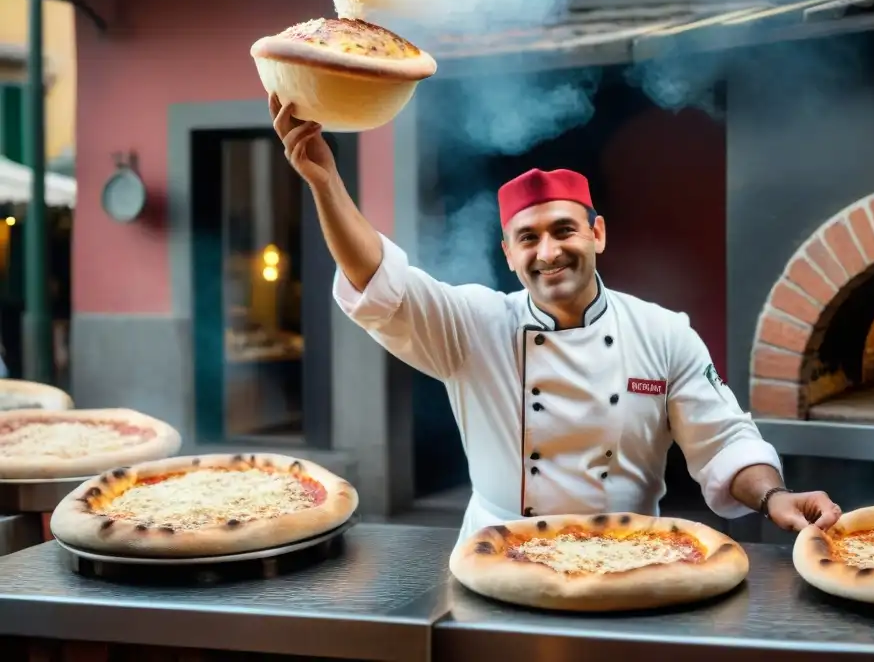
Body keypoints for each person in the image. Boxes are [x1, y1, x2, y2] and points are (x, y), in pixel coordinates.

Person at [269, 94, 842, 544]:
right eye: (528, 238)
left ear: (596, 233)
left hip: (633, 552)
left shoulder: (664, 331)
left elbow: (722, 443)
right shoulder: (475, 325)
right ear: (508, 253)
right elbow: (378, 281)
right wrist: (326, 181)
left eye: (564, 230)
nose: (548, 252)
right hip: (500, 551)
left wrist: (773, 498)